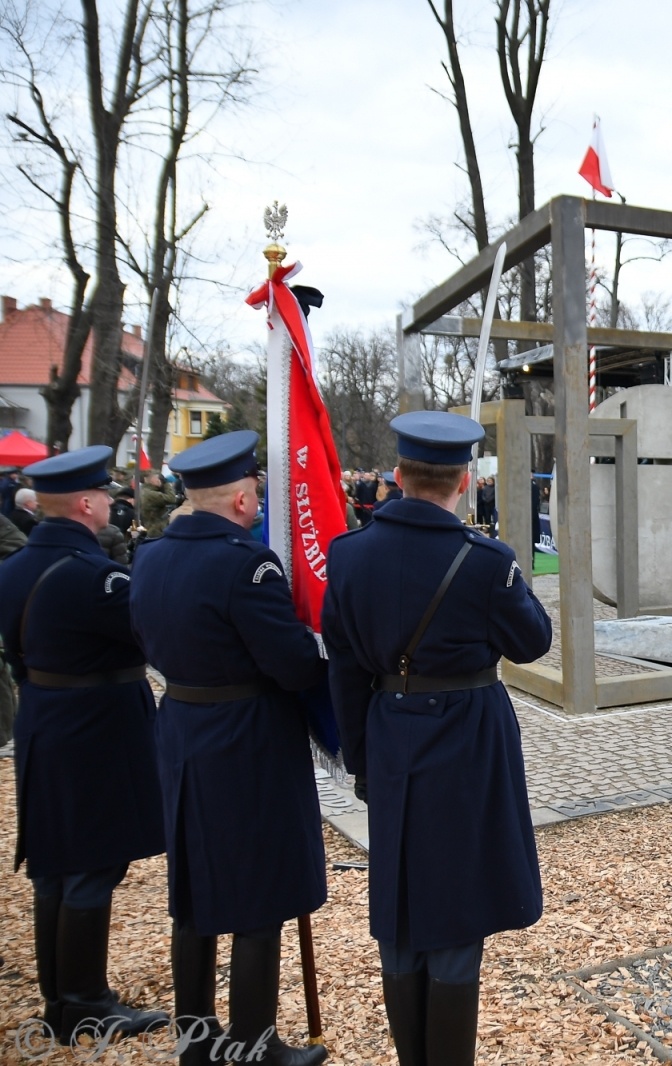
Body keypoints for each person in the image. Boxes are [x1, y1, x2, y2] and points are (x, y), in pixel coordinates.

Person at [323, 411, 552, 1066]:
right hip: (469, 739)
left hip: (390, 732)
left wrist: (362, 760)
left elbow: (343, 668)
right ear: (461, 481)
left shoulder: (349, 554)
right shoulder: (483, 560)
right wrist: (503, 569)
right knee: (458, 901)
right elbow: (532, 641)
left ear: (397, 477)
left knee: (400, 900)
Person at [129, 431, 329, 1066]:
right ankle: (253, 1043)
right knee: (258, 895)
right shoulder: (248, 565)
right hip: (246, 741)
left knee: (193, 891)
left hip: (181, 727)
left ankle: (196, 1036)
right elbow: (292, 665)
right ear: (244, 500)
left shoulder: (151, 558)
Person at [0, 446, 167, 1045]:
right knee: (94, 861)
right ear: (88, 502)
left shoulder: (14, 567)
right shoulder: (96, 576)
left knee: (53, 860)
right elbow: (146, 633)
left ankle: (60, 999)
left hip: (43, 718)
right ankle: (87, 1002)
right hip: (97, 726)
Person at [140, 471, 178, 537]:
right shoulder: (149, 493)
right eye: (157, 478)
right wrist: (166, 484)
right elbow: (171, 498)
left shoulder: (144, 490)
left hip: (150, 527)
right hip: (155, 530)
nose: (159, 480)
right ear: (151, 480)